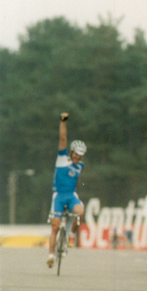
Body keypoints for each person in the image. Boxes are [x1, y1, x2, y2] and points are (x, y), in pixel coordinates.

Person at [47, 112, 86, 268]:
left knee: (80, 212)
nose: (78, 157)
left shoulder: (80, 166)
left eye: (81, 156)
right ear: (71, 151)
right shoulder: (63, 156)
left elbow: (76, 180)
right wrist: (63, 121)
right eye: (77, 154)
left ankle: (71, 234)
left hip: (70, 195)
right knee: (55, 226)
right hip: (58, 195)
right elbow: (63, 138)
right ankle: (50, 255)